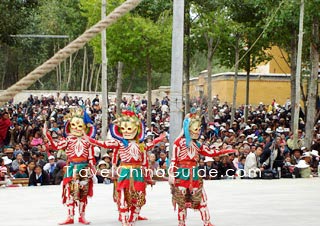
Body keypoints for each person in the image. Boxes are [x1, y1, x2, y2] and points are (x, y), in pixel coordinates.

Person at [86, 111, 165, 226]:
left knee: (139, 197)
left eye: (130, 129)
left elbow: (151, 145)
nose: (127, 132)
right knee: (122, 194)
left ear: (137, 130)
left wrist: (159, 139)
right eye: (124, 129)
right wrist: (90, 139)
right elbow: (103, 144)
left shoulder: (141, 145)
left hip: (137, 172)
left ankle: (132, 219)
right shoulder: (119, 144)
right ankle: (124, 220)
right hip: (124, 171)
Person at [169, 113, 235, 226]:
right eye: (196, 129)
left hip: (194, 174)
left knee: (202, 199)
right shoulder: (178, 143)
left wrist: (223, 151)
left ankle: (207, 222)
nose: (198, 131)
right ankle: (181, 223)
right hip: (181, 174)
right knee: (181, 201)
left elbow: (210, 152)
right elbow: (174, 160)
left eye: (199, 129)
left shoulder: (197, 144)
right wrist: (171, 174)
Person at [44, 108, 96, 225]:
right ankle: (70, 216)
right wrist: (49, 137)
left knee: (83, 193)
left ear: (84, 127)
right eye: (74, 125)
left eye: (79, 126)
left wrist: (92, 167)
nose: (76, 128)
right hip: (71, 167)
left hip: (84, 168)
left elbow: (91, 157)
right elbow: (56, 146)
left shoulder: (88, 141)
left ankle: (82, 216)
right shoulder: (68, 139)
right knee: (69, 192)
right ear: (70, 126)